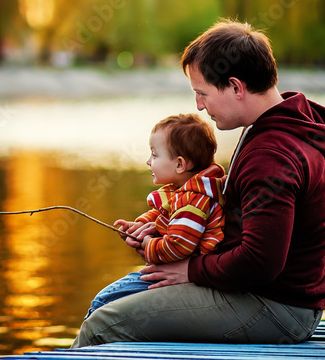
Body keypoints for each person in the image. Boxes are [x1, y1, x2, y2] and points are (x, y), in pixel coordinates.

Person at [72, 20, 325, 346]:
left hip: (277, 307)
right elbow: (229, 217)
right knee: (108, 301)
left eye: (202, 93)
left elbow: (261, 261)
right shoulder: (270, 127)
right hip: (260, 292)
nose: (199, 106)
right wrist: (163, 230)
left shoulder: (273, 154)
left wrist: (190, 271)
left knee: (104, 325)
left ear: (235, 87)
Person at [84, 114, 226, 318]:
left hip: (186, 278)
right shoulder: (182, 191)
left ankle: (91, 346)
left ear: (179, 164)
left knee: (104, 300)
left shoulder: (194, 201)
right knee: (107, 298)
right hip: (178, 272)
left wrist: (148, 244)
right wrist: (138, 226)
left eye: (154, 155)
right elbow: (162, 214)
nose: (148, 161)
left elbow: (178, 245)